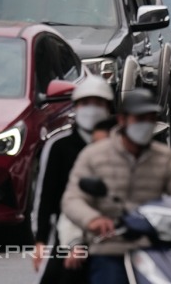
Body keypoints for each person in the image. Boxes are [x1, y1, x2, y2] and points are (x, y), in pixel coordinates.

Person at [62, 89, 171, 284]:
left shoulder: (164, 157)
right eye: (139, 118)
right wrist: (93, 219)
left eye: (150, 119)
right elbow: (73, 199)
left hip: (157, 247)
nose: (145, 124)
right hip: (111, 246)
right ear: (122, 119)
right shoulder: (94, 155)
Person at [32, 76, 115, 283]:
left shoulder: (121, 147)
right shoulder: (59, 147)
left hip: (113, 232)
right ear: (76, 107)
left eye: (98, 104)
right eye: (85, 104)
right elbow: (46, 196)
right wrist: (40, 239)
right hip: (69, 231)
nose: (92, 109)